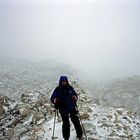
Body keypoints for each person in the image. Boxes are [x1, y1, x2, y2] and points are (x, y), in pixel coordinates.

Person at [51, 76, 83, 140]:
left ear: (67, 81)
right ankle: (66, 138)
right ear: (60, 82)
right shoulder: (57, 89)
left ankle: (80, 135)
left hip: (71, 107)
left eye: (65, 81)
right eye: (63, 82)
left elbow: (75, 95)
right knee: (66, 124)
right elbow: (52, 98)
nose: (64, 83)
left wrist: (75, 97)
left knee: (76, 121)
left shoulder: (70, 88)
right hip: (63, 109)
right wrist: (55, 100)